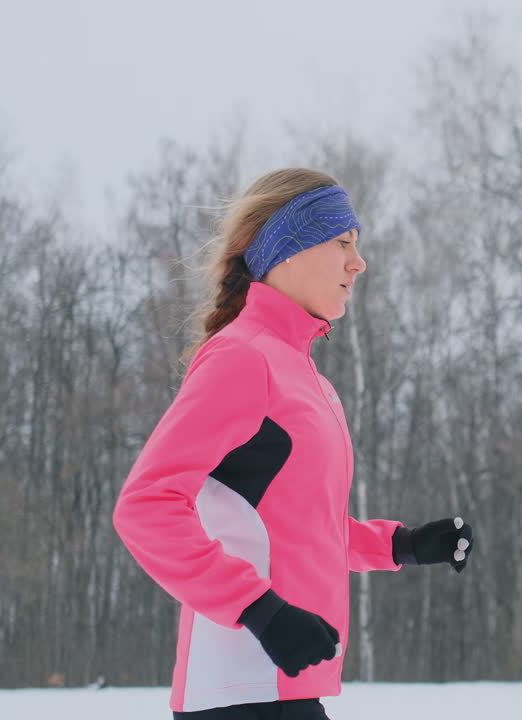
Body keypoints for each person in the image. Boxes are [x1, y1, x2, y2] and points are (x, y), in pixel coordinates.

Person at [114, 168, 474, 720]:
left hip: (288, 684)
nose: (359, 263)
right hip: (238, 687)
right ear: (287, 250)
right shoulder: (242, 357)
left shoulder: (305, 377)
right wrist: (260, 609)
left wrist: (401, 545)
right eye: (343, 244)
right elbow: (145, 506)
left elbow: (297, 527)